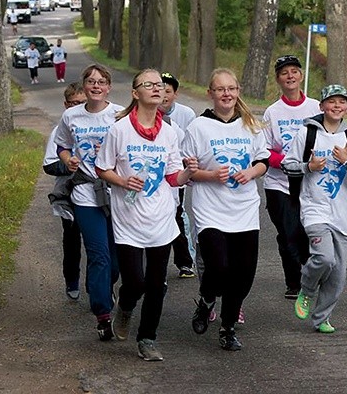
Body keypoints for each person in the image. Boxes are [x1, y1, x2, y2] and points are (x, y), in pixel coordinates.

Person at [96, 69, 198, 361]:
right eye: (149, 85)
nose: (157, 89)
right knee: (135, 283)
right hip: (128, 219)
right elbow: (102, 169)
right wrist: (122, 181)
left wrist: (188, 173)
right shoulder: (119, 130)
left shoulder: (169, 132)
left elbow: (172, 177)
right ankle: (126, 307)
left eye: (160, 85)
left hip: (161, 218)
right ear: (135, 93)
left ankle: (148, 338)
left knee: (157, 284)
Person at [183, 68, 269, 351]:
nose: (226, 94)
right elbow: (187, 172)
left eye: (231, 88)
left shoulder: (250, 125)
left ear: (238, 91)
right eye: (220, 89)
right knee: (218, 267)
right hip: (210, 210)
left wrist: (251, 173)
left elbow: (263, 161)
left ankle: (228, 328)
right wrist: (211, 175)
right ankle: (207, 301)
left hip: (244, 209)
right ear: (210, 93)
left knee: (244, 274)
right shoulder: (197, 127)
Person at [282, 84, 347, 334]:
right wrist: (308, 167)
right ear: (321, 106)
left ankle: (322, 318)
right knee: (324, 258)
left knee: (338, 275)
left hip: (344, 216)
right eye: (331, 102)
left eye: (341, 102)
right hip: (314, 209)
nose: (336, 106)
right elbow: (287, 165)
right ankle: (307, 289)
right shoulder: (307, 134)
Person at [54, 64, 123, 341]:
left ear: (108, 87)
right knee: (98, 254)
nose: (96, 86)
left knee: (116, 259)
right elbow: (62, 145)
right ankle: (103, 314)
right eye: (91, 81)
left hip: (116, 193)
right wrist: (67, 159)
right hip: (84, 193)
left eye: (102, 81)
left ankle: (107, 288)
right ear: (84, 86)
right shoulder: (71, 116)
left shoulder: (119, 114)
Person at [263, 55, 320, 300]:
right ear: (278, 79)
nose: (290, 76)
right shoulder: (272, 112)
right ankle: (293, 282)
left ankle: (310, 274)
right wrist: (287, 163)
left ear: (301, 76)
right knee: (288, 233)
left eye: (294, 71)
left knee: (306, 231)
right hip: (279, 183)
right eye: (284, 72)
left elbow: (329, 136)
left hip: (309, 182)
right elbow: (264, 150)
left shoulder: (316, 108)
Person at [42, 82, 87, 300]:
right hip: (68, 195)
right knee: (72, 239)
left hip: (96, 193)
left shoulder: (97, 126)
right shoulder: (59, 131)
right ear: (65, 105)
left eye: (83, 103)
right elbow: (49, 164)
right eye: (74, 103)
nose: (78, 107)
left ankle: (99, 287)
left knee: (99, 243)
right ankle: (72, 281)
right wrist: (69, 165)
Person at [159, 72, 197, 278]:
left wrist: (188, 170)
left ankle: (185, 261)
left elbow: (189, 147)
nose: (163, 95)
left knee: (177, 216)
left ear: (175, 94)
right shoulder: (137, 118)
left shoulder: (183, 118)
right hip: (152, 179)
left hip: (176, 178)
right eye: (159, 89)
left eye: (168, 91)